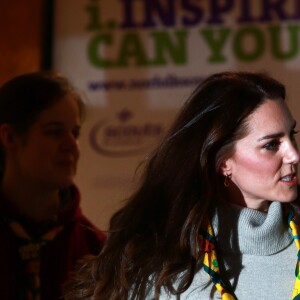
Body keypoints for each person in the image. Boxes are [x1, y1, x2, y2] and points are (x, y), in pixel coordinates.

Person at [64, 71, 300, 300]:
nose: (294, 155)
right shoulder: (159, 263)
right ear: (223, 162)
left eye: (292, 135)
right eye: (271, 145)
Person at [0, 71, 106, 300]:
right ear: (9, 138)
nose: (71, 145)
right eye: (55, 132)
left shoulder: (96, 251)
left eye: (75, 133)